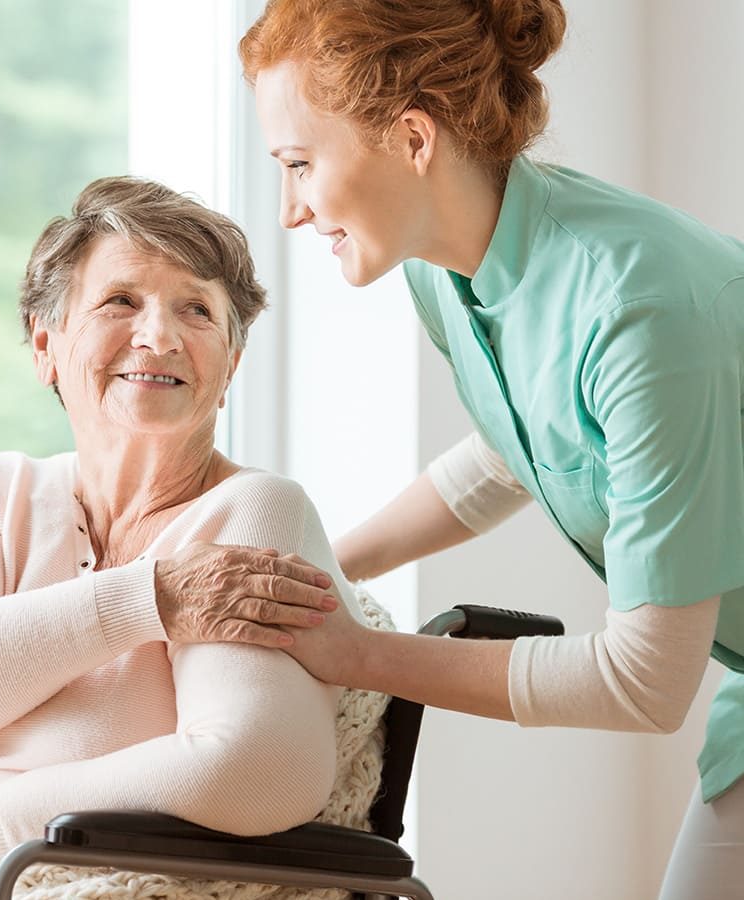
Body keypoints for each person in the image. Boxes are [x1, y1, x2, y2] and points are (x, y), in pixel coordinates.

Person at [220, 1, 744, 896]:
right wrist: (318, 574)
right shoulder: (445, 267)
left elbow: (646, 681)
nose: (290, 211)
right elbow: (519, 447)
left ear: (413, 138)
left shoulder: (637, 311)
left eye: (300, 165)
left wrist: (357, 653)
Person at [0, 176, 359, 900]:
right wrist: (146, 601)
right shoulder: (2, 492)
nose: (159, 336)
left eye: (197, 310)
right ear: (45, 345)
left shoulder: (253, 512)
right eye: (121, 301)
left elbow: (255, 772)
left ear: (229, 368)